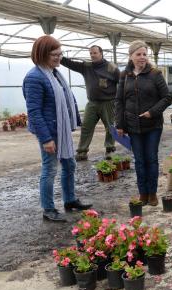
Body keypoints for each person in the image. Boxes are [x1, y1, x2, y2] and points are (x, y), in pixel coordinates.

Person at [23, 35, 92, 222]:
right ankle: (48, 209)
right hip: (49, 132)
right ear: (42, 54)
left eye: (60, 54)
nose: (59, 58)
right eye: (54, 54)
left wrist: (74, 120)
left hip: (61, 130)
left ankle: (70, 200)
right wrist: (46, 139)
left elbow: (67, 99)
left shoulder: (54, 73)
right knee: (50, 169)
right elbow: (34, 112)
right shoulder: (34, 77)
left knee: (69, 164)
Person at [115, 40, 172, 206]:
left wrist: (152, 112)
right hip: (133, 126)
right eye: (138, 54)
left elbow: (167, 98)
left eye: (144, 54)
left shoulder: (155, 74)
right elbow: (119, 101)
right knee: (139, 160)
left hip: (153, 125)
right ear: (131, 56)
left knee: (151, 159)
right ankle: (143, 193)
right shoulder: (124, 76)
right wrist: (120, 124)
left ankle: (152, 193)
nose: (142, 57)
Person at [61, 45, 120, 161]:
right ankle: (82, 151)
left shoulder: (111, 67)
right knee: (86, 126)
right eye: (91, 53)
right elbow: (72, 64)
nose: (92, 55)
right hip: (92, 102)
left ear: (101, 53)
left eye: (95, 53)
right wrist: (61, 58)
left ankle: (110, 150)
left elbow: (122, 82)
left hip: (108, 102)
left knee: (110, 127)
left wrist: (119, 100)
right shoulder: (87, 67)